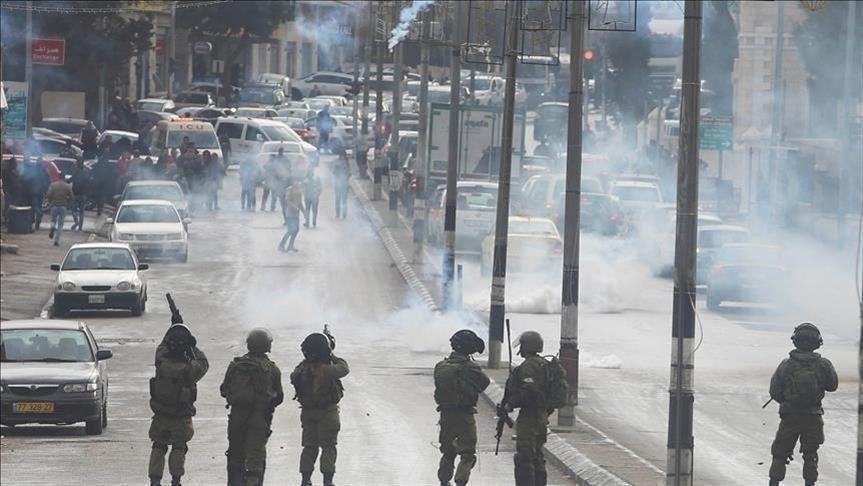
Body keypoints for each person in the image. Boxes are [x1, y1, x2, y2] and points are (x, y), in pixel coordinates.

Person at [768, 323, 839, 486]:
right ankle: (810, 482)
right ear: (817, 342)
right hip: (813, 416)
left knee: (780, 453)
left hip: (790, 416)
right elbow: (833, 386)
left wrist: (787, 401)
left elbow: (774, 391)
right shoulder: (823, 364)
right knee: (810, 453)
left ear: (795, 341)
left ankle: (774, 482)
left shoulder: (786, 365)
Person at [148, 317, 209, 486]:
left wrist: (174, 328)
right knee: (179, 446)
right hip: (181, 415)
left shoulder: (161, 361)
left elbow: (163, 345)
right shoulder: (190, 369)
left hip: (160, 412)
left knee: (158, 445)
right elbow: (204, 363)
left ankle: (155, 479)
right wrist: (191, 344)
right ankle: (176, 479)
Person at [221, 328, 284, 486]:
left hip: (237, 418)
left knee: (235, 455)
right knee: (256, 459)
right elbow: (279, 397)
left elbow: (224, 390)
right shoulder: (272, 369)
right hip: (259, 419)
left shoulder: (236, 365)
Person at [290, 332, 349, 486]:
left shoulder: (301, 369)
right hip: (327, 413)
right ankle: (327, 481)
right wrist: (332, 355)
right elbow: (344, 368)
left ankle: (305, 479)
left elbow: (296, 374)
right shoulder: (327, 370)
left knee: (309, 447)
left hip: (308, 413)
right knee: (328, 447)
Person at [434, 330, 490, 486]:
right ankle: (460, 481)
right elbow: (484, 383)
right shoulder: (470, 367)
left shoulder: (440, 366)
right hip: (465, 416)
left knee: (448, 452)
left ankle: (444, 481)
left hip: (445, 415)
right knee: (467, 454)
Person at [504, 331, 552, 486]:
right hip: (542, 415)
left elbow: (528, 392)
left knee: (524, 457)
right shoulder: (544, 364)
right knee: (537, 456)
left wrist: (511, 404)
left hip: (530, 417)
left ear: (527, 346)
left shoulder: (529, 366)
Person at [20, 156, 51, 229]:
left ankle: (34, 219)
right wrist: (46, 190)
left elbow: (27, 179)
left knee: (33, 207)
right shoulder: (45, 170)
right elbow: (48, 181)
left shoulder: (33, 169)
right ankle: (38, 221)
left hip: (33, 192)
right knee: (38, 206)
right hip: (40, 192)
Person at [45, 174, 75, 246]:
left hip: (54, 205)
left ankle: (52, 227)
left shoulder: (53, 185)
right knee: (60, 224)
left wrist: (50, 201)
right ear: (64, 178)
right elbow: (72, 197)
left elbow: (48, 195)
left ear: (58, 178)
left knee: (53, 220)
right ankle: (56, 240)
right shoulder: (67, 186)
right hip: (63, 206)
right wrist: (68, 204)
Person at [279, 179, 305, 253]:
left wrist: (304, 212)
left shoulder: (299, 190)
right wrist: (294, 207)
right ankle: (281, 245)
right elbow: (287, 200)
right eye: (295, 181)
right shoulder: (289, 190)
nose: (297, 183)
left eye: (298, 181)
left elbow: (300, 203)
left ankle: (290, 245)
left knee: (296, 230)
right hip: (290, 213)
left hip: (296, 213)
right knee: (290, 230)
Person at [70, 160, 91, 231]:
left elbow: (69, 180)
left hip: (75, 194)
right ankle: (80, 227)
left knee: (74, 211)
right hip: (83, 195)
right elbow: (89, 183)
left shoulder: (75, 173)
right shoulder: (86, 174)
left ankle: (76, 222)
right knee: (82, 212)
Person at [332, 151, 350, 219]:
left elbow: (348, 173)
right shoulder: (344, 162)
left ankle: (343, 214)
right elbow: (334, 172)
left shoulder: (345, 162)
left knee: (343, 200)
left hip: (343, 185)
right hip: (340, 185)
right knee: (339, 200)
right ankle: (339, 214)